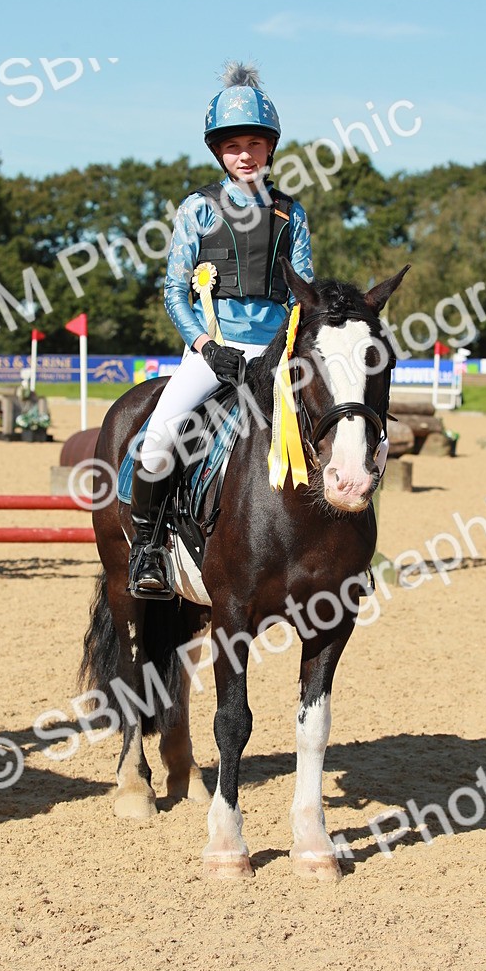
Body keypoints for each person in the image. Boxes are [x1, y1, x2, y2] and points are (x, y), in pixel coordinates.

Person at [128, 61, 314, 598]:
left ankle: (346, 549)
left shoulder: (291, 214)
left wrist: (287, 350)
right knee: (159, 437)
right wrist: (207, 347)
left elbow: (304, 290)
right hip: (214, 351)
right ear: (219, 153)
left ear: (270, 148)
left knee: (339, 428)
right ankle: (148, 548)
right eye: (234, 146)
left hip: (277, 355)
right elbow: (173, 292)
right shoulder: (197, 210)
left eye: (255, 143)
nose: (245, 155)